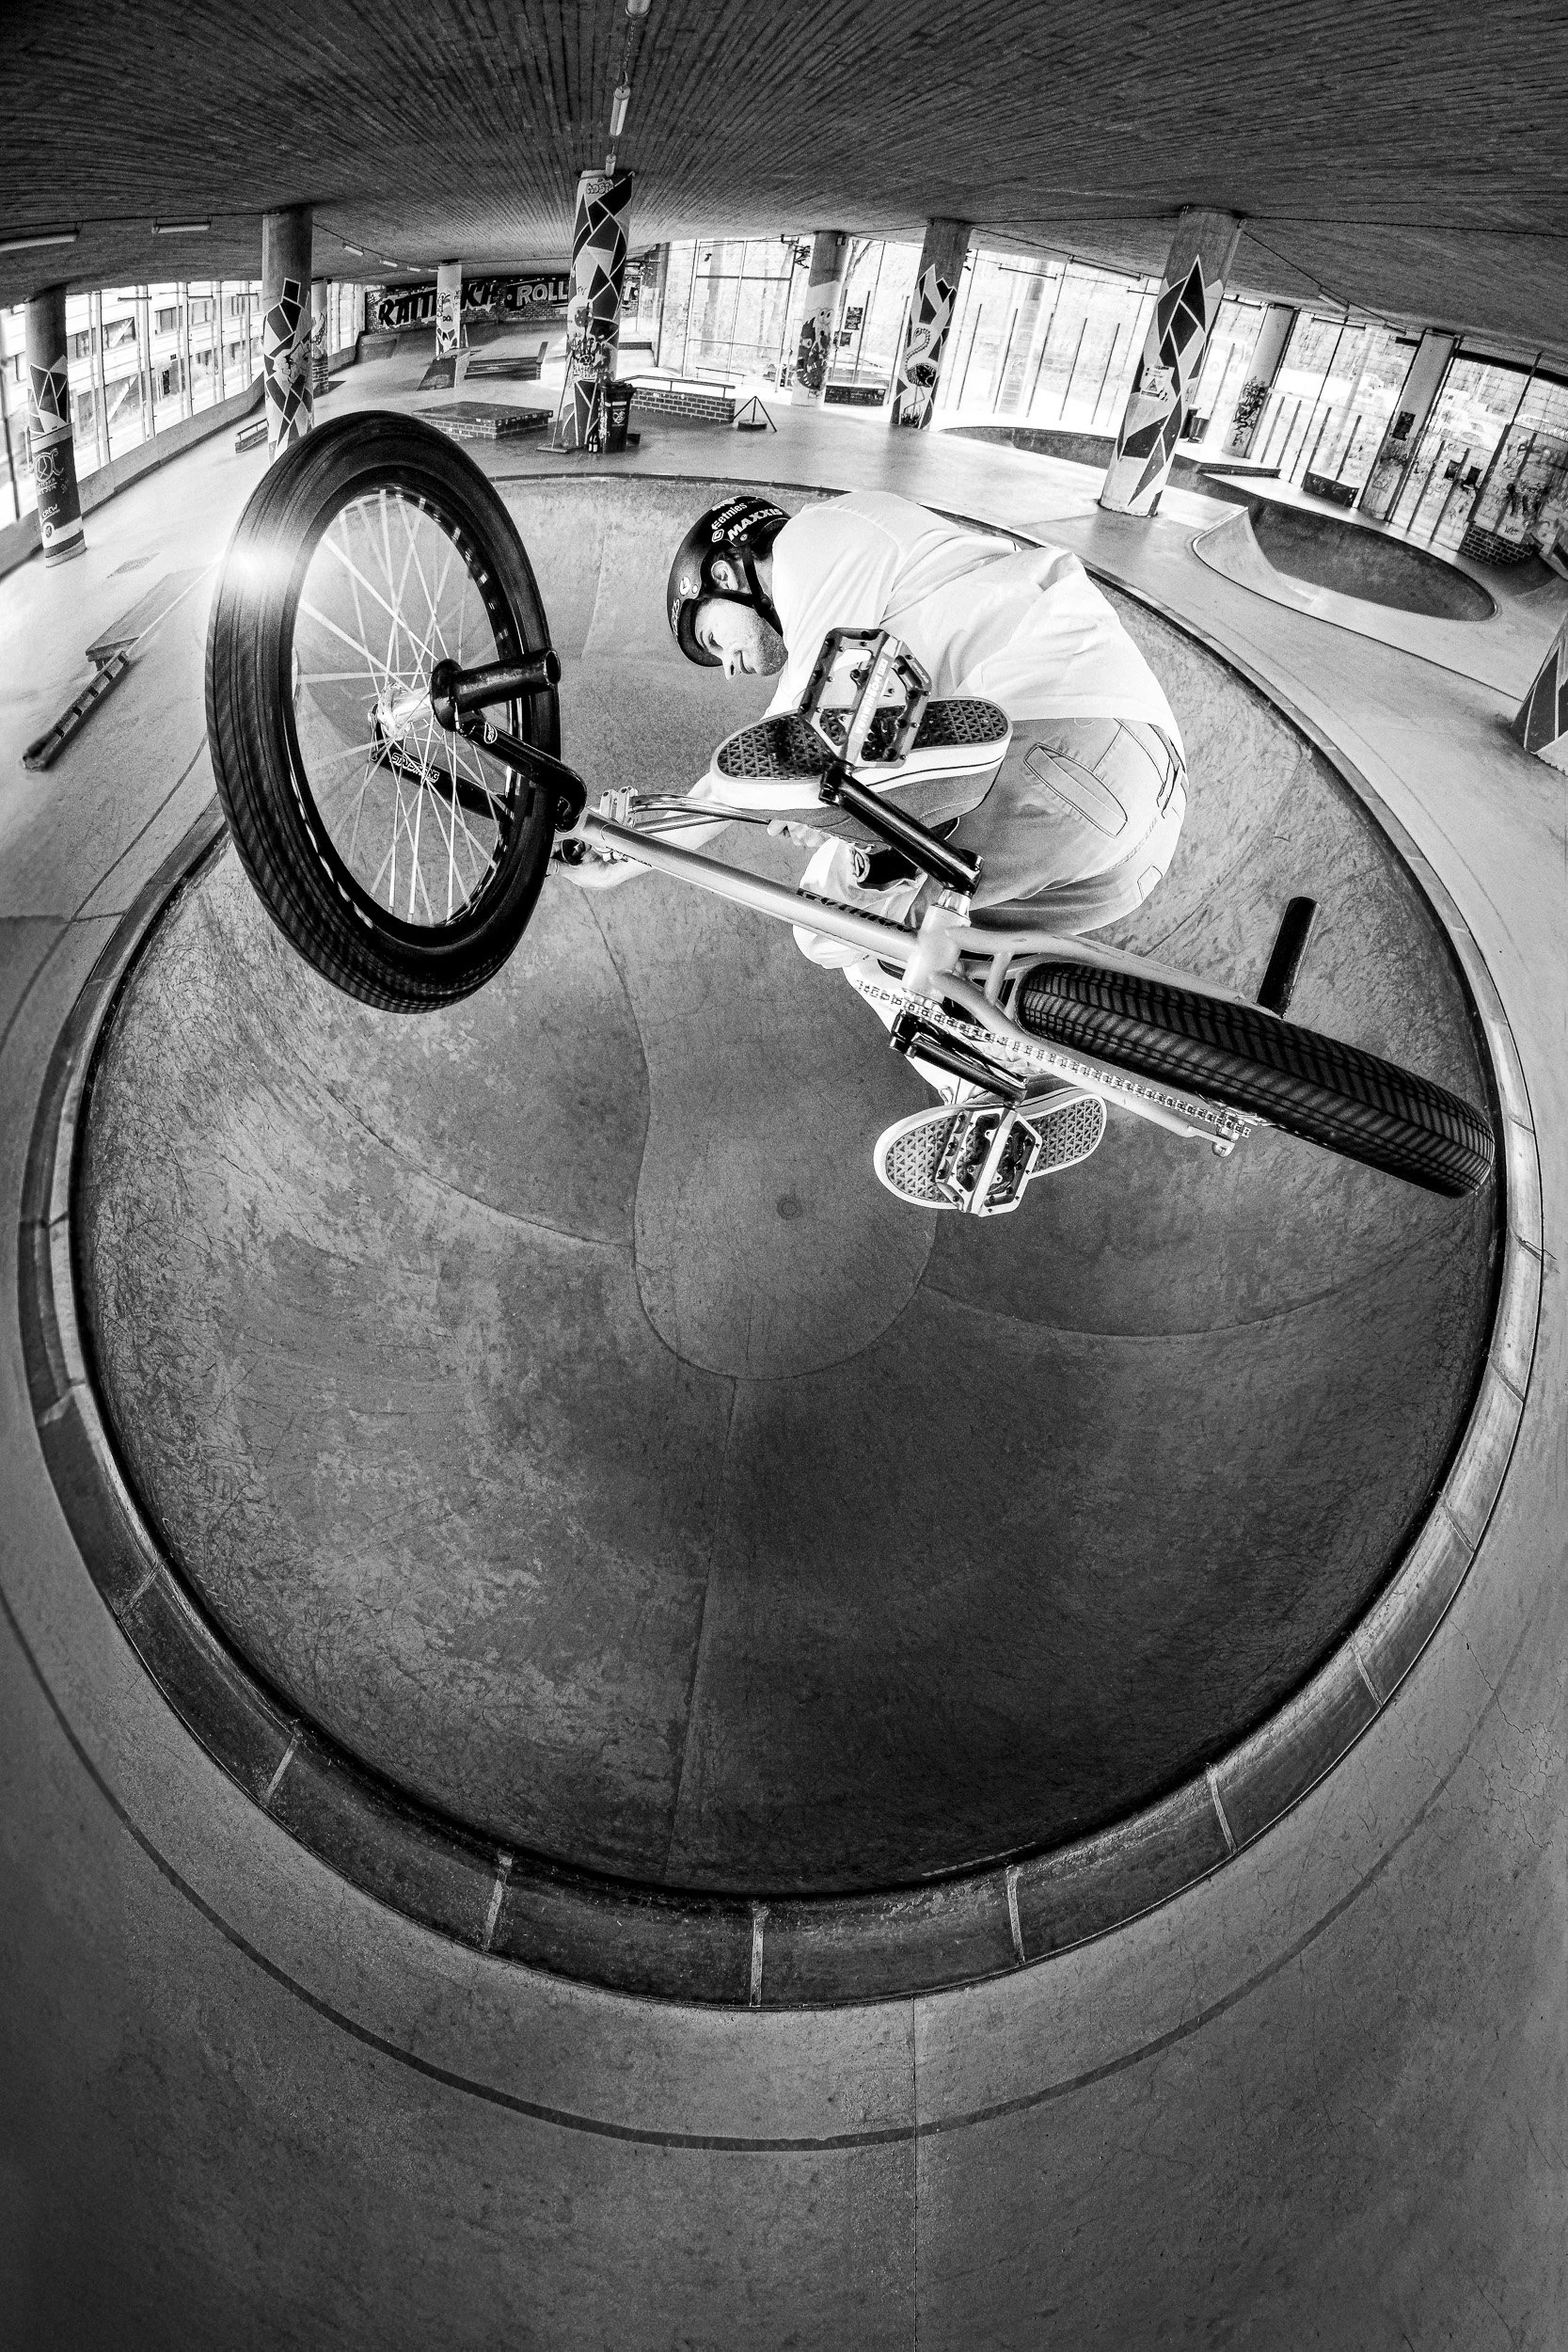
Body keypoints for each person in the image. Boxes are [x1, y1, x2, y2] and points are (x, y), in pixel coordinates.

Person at [567, 485, 1187, 992]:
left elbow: (778, 751)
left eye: (710, 640)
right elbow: (857, 729)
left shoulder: (815, 536)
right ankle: (1013, 1088)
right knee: (926, 953)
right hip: (1129, 849)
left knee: (826, 914)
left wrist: (630, 848)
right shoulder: (891, 612)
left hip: (1064, 740)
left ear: (725, 569)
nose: (727, 667)